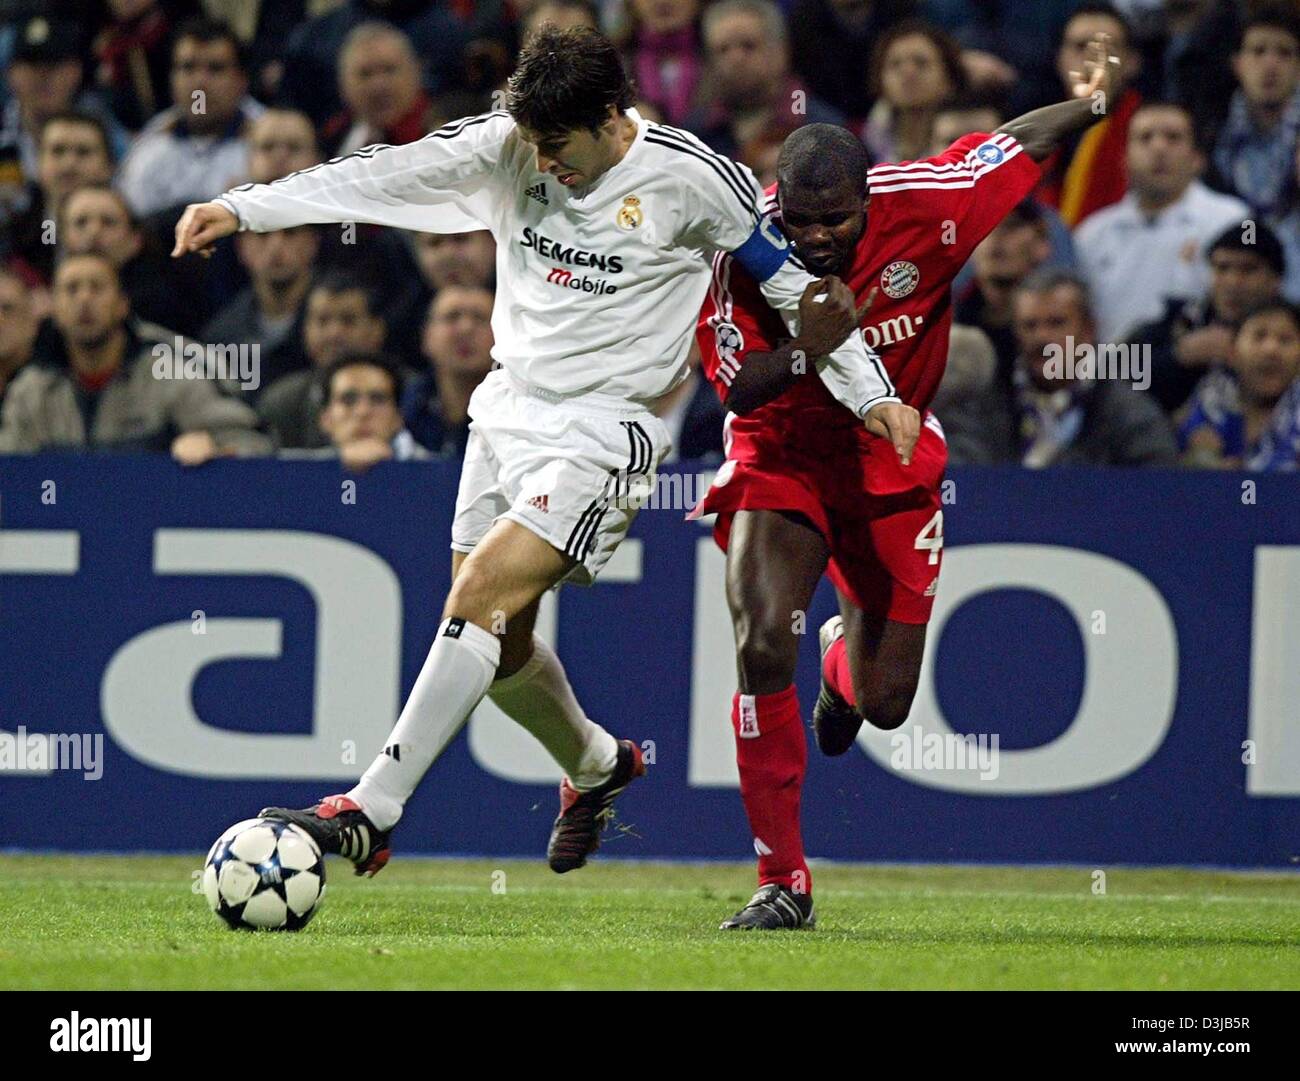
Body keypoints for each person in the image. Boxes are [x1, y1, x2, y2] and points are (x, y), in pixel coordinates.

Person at [171, 26, 916, 880]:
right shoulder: (508, 142)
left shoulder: (691, 178)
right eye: (531, 144)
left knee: (476, 595)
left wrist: (873, 392)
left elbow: (797, 291)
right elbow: (380, 174)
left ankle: (371, 808)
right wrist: (246, 206)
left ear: (609, 116)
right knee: (498, 640)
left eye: (557, 148)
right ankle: (599, 762)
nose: (543, 164)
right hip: (504, 410)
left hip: (607, 430)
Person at [690, 34, 1123, 930]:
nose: (814, 240)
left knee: (886, 707)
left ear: (864, 199)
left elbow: (1021, 141)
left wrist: (1088, 102)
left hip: (888, 462)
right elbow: (734, 385)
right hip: (783, 455)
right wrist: (807, 345)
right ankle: (783, 879)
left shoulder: (933, 202)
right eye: (799, 222)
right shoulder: (739, 247)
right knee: (762, 636)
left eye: (834, 223)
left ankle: (843, 672)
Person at [0, 252, 267, 461]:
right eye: (71, 289)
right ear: (54, 310)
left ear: (122, 305)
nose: (84, 299)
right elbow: (10, 474)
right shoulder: (32, 391)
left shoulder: (171, 374)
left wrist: (215, 448)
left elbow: (252, 445)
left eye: (97, 288)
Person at [942, 269, 1178, 467]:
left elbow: (1155, 490)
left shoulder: (1130, 414)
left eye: (1056, 323)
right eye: (1029, 325)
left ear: (1088, 330)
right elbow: (962, 478)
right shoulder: (982, 406)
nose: (1042, 337)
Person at [1074, 101, 1250, 343]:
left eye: (1173, 138)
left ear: (1197, 158)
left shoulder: (1231, 220)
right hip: (1110, 373)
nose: (1158, 148)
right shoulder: (1092, 234)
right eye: (1145, 138)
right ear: (1124, 159)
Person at [1126, 220, 1286, 414]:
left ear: (1275, 280)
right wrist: (1178, 357)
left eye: (1248, 269)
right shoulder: (1174, 324)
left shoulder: (1292, 334)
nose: (1233, 282)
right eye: (1222, 268)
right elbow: (1111, 381)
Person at [116, 17, 265, 217]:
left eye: (215, 68)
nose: (200, 82)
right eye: (188, 67)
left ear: (241, 80)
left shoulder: (270, 139)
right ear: (172, 78)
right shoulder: (150, 145)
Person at [256, 272, 387, 448]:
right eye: (322, 321)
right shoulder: (280, 403)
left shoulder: (409, 395)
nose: (334, 334)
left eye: (348, 321)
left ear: (376, 329)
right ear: (305, 329)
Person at [1180, 298, 1300, 471]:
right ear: (1232, 352)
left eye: (1285, 340)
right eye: (1259, 336)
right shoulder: (1212, 398)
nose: (1271, 350)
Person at [284, 353, 432, 470]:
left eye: (378, 399)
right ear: (326, 418)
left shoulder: (439, 473)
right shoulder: (289, 474)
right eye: (348, 400)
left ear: (398, 418)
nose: (363, 412)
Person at [403, 284, 495, 457]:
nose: (466, 328)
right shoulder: (401, 407)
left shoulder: (523, 410)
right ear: (426, 336)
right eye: (452, 317)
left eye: (480, 318)